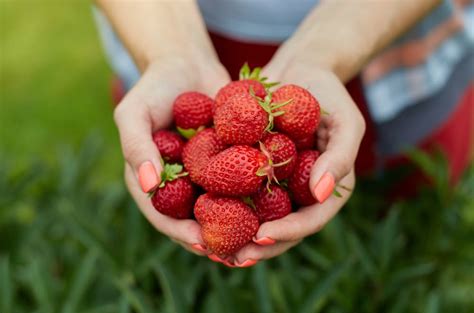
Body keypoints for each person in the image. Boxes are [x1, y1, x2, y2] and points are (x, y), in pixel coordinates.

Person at [94, 0, 473, 268]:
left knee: (410, 209)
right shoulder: (228, 139)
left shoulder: (260, 139)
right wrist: (170, 52)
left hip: (390, 37)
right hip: (159, 20)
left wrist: (323, 53)